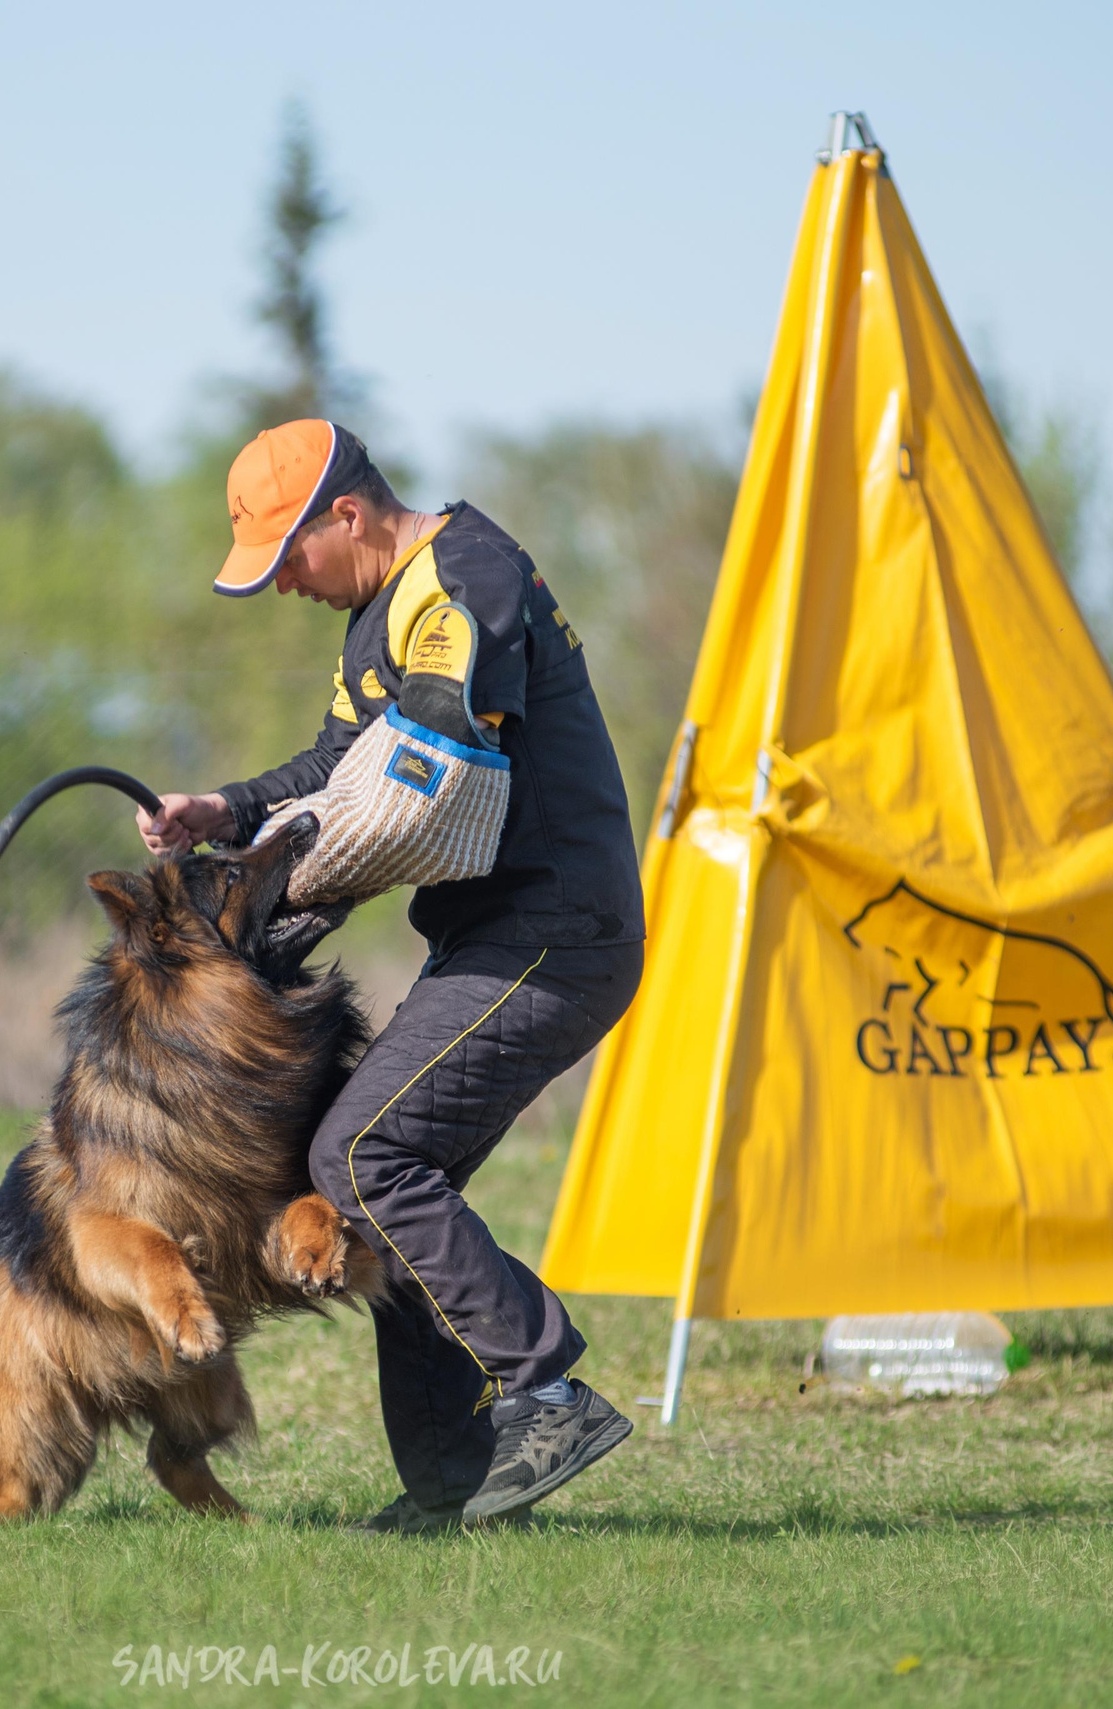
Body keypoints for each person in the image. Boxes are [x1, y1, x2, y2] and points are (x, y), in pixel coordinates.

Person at [137, 419, 647, 1531]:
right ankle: (457, 1483)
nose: (284, 589)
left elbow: (425, 763)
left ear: (346, 515)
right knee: (393, 1194)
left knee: (362, 1154)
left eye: (288, 561)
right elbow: (340, 762)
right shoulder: (382, 611)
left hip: (557, 931)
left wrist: (287, 872)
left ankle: (545, 1386)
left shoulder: (465, 579)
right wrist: (225, 810)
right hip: (495, 939)